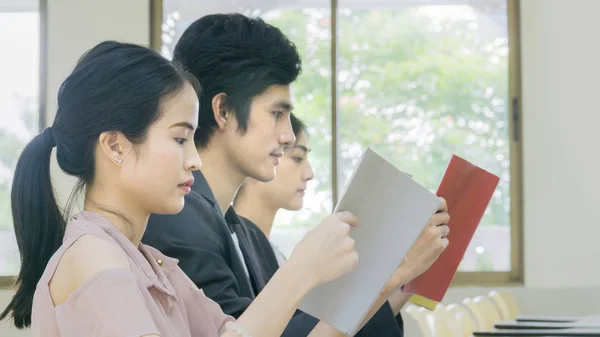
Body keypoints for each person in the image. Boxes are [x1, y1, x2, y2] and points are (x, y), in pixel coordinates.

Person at [0, 41, 365, 337]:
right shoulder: (93, 256)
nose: (195, 159)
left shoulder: (153, 264)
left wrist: (369, 286)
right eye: (179, 138)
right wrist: (299, 271)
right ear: (114, 146)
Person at [143, 13, 451, 337]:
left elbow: (295, 328)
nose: (288, 135)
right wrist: (383, 277)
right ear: (223, 111)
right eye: (277, 113)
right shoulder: (177, 222)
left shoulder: (246, 233)